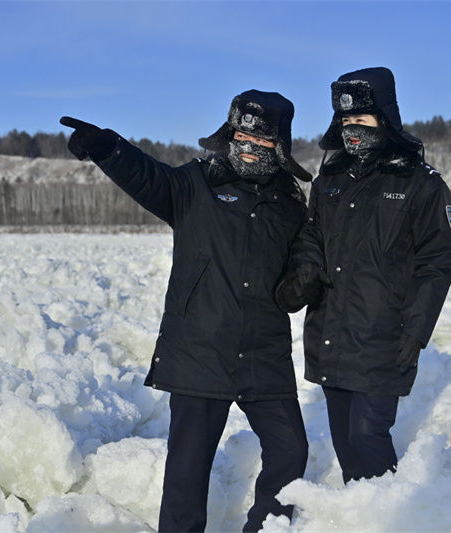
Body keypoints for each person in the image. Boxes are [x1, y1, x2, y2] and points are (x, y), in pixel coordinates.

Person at [60, 89, 312, 532]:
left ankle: (267, 527)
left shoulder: (290, 203)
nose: (250, 149)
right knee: (187, 471)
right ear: (229, 134)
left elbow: (304, 260)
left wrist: (302, 279)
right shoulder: (195, 184)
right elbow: (147, 176)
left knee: (290, 450)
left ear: (280, 147)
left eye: (262, 142)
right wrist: (107, 147)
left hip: (263, 351)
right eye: (243, 138)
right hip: (199, 347)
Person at [277, 67, 451, 483]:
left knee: (367, 436)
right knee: (344, 440)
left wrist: (415, 331)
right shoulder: (331, 181)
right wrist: (305, 269)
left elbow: (439, 262)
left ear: (385, 119)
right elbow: (311, 235)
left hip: (384, 337)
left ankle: (387, 518)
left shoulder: (421, 184)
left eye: (360, 120)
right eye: (345, 122)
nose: (351, 129)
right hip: (331, 331)